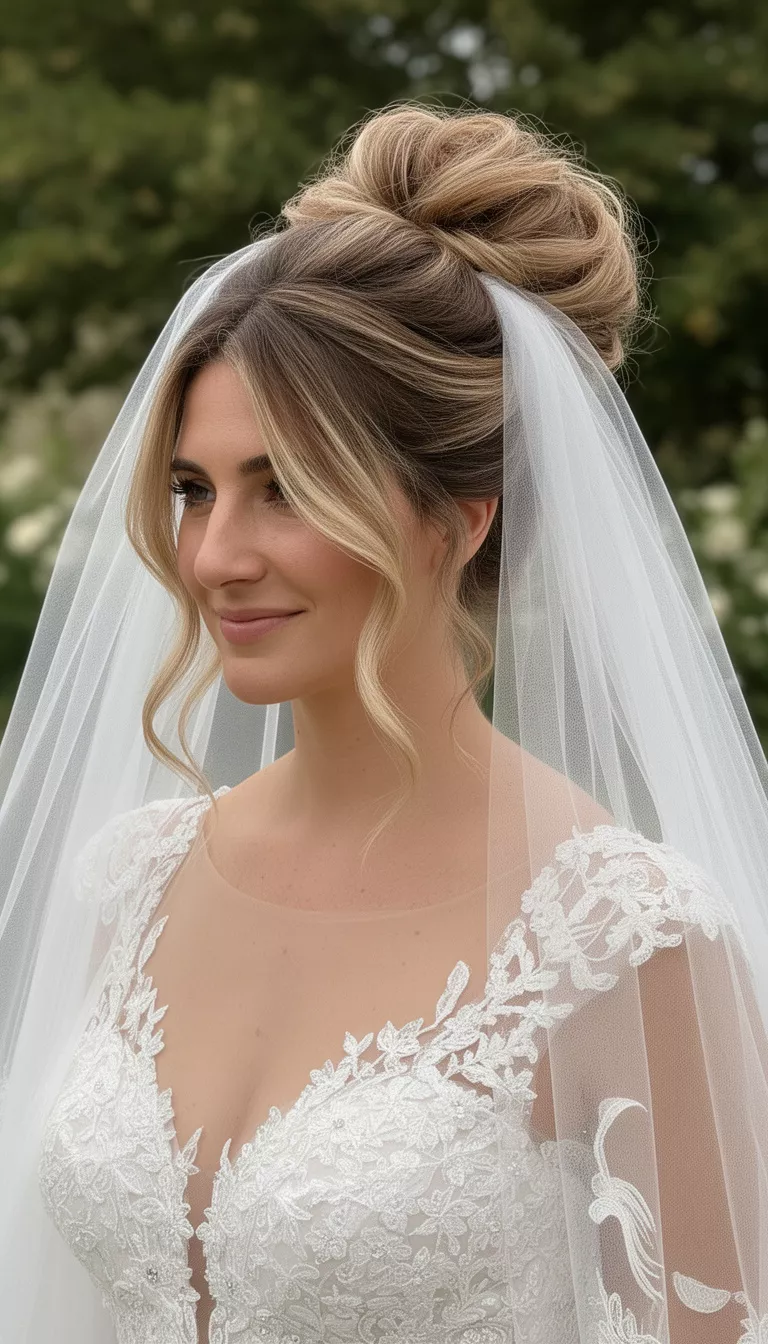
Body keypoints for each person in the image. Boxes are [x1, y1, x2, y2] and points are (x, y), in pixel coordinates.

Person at [1, 100, 767, 1344]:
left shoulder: (626, 946)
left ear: (457, 518)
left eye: (286, 489)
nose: (214, 556)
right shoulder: (133, 881)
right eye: (195, 489)